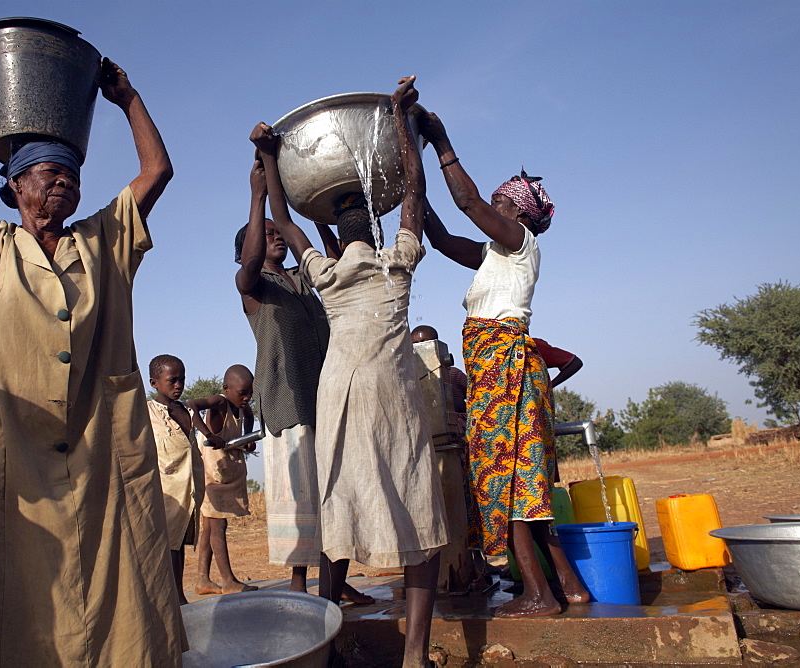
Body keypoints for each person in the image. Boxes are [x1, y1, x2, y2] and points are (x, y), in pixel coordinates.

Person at [0, 25, 182, 665]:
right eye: (48, 174)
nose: (62, 184)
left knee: (120, 620)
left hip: (101, 454)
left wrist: (127, 96)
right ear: (15, 188)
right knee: (8, 612)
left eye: (72, 175)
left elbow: (157, 169)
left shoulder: (104, 241)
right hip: (10, 458)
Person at [252, 76, 448, 668]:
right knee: (419, 512)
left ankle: (327, 648)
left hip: (339, 394)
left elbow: (283, 219)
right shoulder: (398, 265)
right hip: (389, 392)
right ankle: (414, 655)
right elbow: (412, 189)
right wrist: (402, 122)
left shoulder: (326, 273)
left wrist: (266, 157)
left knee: (339, 511)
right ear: (374, 226)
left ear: (334, 235)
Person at [418, 111, 588, 618]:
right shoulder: (498, 253)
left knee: (506, 479)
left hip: (503, 367)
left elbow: (465, 201)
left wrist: (441, 142)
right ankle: (568, 586)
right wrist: (415, 188)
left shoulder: (520, 245)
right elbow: (445, 240)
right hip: (504, 366)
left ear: (516, 213)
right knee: (526, 483)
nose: (486, 206)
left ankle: (538, 596)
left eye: (497, 202)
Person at [235, 142, 372, 604]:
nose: (275, 236)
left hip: (327, 399)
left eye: (278, 233)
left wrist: (313, 212)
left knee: (334, 494)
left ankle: (336, 584)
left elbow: (335, 260)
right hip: (288, 403)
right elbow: (251, 261)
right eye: (266, 233)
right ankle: (300, 590)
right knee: (301, 505)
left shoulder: (304, 279)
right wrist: (257, 201)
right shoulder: (255, 287)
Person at [190, 365, 258, 595]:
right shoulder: (219, 403)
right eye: (242, 393)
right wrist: (209, 435)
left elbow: (248, 416)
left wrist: (245, 438)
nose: (247, 398)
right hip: (212, 470)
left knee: (210, 526)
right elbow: (193, 406)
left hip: (226, 470)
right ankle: (228, 580)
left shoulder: (241, 406)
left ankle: (202, 580)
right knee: (218, 524)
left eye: (249, 393)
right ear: (226, 389)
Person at [148, 355, 205, 605]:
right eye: (172, 380)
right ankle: (176, 598)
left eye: (181, 379)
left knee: (179, 542)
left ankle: (177, 594)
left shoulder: (186, 411)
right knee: (170, 544)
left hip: (188, 490)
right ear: (154, 383)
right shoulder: (148, 413)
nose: (178, 385)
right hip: (165, 490)